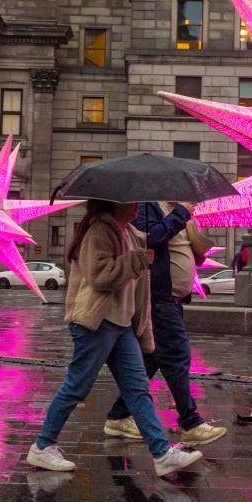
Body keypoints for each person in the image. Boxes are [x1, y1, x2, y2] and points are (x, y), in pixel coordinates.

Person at [28, 200, 203, 477]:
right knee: (77, 386)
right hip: (97, 321)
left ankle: (161, 453)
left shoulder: (126, 230)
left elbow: (152, 239)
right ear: (114, 204)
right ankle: (42, 446)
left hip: (121, 323)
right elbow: (100, 277)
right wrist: (136, 260)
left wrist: (183, 229)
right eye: (131, 204)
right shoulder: (99, 231)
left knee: (137, 389)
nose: (137, 208)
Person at [104, 202, 227, 448]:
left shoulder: (170, 210)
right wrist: (180, 214)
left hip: (171, 298)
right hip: (159, 297)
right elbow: (151, 238)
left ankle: (118, 416)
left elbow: (171, 245)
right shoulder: (149, 206)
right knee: (177, 355)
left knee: (153, 359)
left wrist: (194, 253)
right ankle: (190, 423)